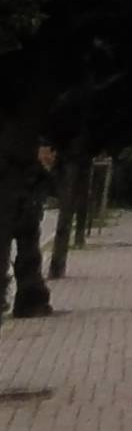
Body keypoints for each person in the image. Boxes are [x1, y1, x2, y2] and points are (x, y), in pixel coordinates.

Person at [1, 137, 54, 320]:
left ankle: (30, 299)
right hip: (23, 192)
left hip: (20, 190)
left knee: (26, 248)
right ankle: (31, 301)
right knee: (28, 249)